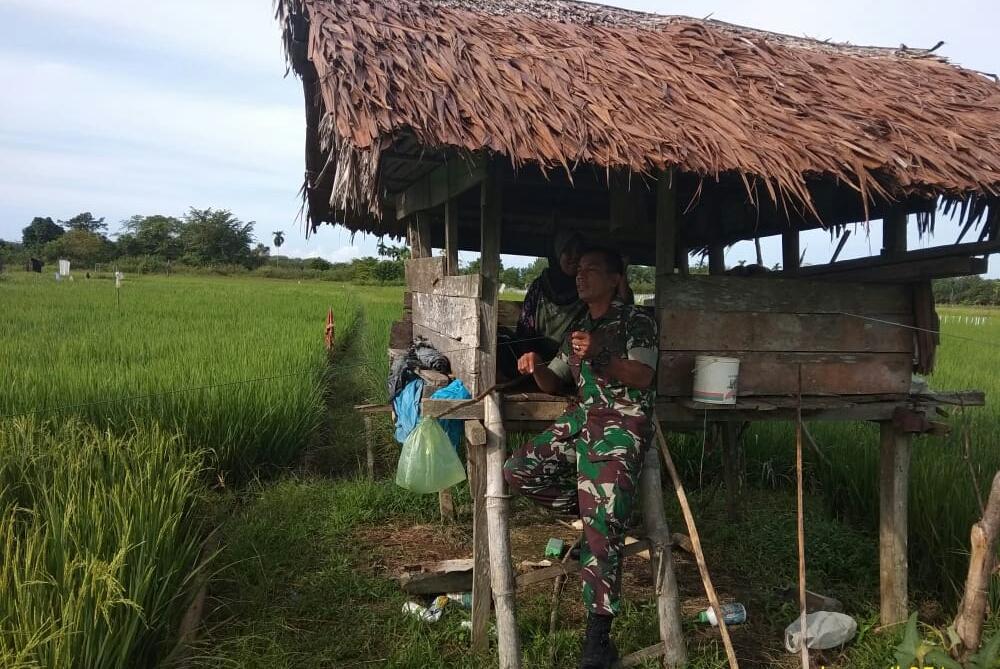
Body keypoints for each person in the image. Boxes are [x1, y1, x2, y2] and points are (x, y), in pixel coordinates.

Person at [503, 246, 658, 669]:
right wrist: (535, 365)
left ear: (614, 278)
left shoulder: (636, 320)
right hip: (582, 420)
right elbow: (556, 382)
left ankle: (598, 640)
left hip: (621, 425)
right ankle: (603, 515)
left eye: (592, 269)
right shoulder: (580, 326)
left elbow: (644, 375)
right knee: (518, 472)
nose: (580, 275)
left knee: (601, 527)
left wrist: (601, 356)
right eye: (580, 269)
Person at [514, 230, 588, 362]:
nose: (575, 256)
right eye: (568, 250)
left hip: (572, 364)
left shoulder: (587, 288)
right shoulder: (539, 287)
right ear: (557, 254)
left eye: (579, 251)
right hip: (534, 363)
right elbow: (524, 331)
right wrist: (533, 361)